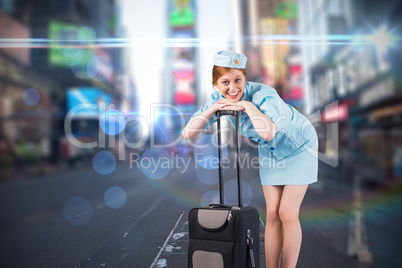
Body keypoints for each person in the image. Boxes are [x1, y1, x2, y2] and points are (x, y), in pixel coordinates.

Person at [182, 51, 318, 268]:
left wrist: (249, 106)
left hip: (299, 145)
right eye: (225, 82)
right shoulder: (217, 98)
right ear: (215, 84)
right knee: (272, 213)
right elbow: (188, 133)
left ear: (245, 78)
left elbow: (268, 133)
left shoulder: (264, 94)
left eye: (238, 80)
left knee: (287, 212)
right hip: (271, 151)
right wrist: (214, 108)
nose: (233, 88)